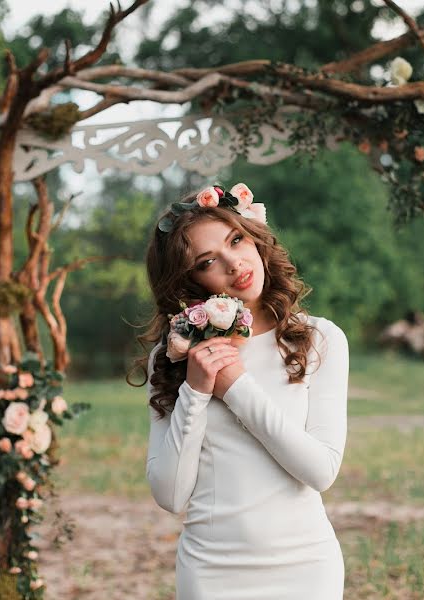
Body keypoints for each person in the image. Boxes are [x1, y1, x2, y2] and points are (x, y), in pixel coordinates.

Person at [127, 182, 349, 599]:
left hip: (306, 567)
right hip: (212, 572)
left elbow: (320, 471)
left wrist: (234, 387)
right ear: (190, 280)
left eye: (236, 240)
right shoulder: (175, 354)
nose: (235, 263)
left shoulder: (319, 338)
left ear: (255, 235)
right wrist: (195, 390)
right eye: (209, 260)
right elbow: (171, 495)